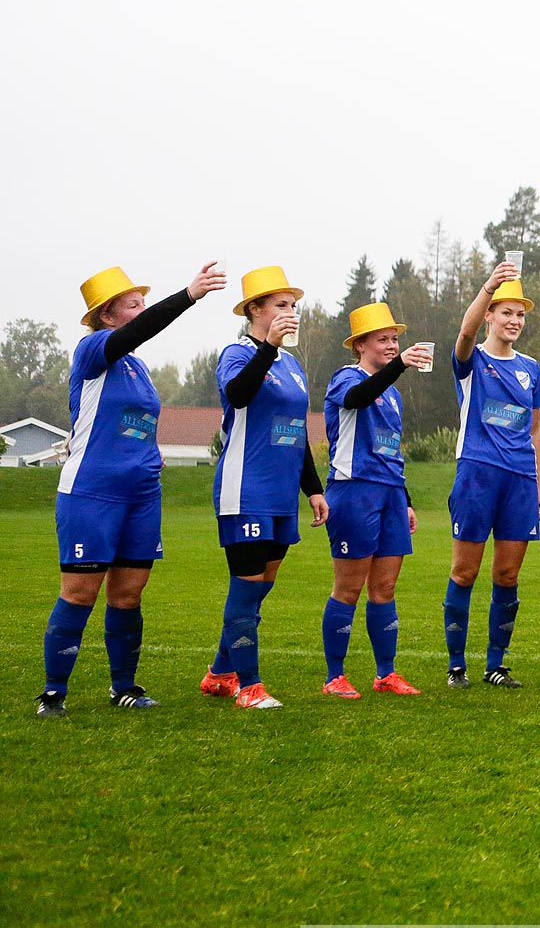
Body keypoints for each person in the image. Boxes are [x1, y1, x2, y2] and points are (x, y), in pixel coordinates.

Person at [35, 263, 228, 718]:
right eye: (134, 304)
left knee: (128, 594)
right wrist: (188, 295)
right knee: (80, 593)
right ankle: (53, 693)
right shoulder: (92, 349)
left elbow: (132, 422)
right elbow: (140, 330)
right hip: (91, 492)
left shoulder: (138, 368)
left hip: (141, 494)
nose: (141, 311)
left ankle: (124, 687)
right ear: (108, 316)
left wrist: (148, 453)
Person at [201, 266, 328, 711]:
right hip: (245, 487)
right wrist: (268, 348)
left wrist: (312, 488)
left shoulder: (292, 365)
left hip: (279, 494)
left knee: (259, 589)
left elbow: (295, 430)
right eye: (280, 304)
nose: (290, 312)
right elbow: (238, 394)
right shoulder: (236, 353)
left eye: (293, 305)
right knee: (246, 584)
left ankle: (219, 672)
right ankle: (249, 685)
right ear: (255, 310)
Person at [319, 302, 432, 699]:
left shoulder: (393, 395)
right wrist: (399, 364)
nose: (391, 344)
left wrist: (406, 498)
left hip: (389, 493)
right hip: (353, 490)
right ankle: (335, 676)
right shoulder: (346, 378)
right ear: (360, 344)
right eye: (382, 339)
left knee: (384, 587)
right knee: (347, 588)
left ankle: (386, 673)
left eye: (394, 339)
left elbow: (391, 451)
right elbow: (357, 399)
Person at [444, 261, 540, 689]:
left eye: (520, 314)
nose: (514, 321)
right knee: (465, 572)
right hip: (478, 474)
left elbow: (535, 430)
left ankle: (495, 664)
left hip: (520, 480)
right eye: (506, 312)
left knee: (507, 575)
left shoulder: (531, 368)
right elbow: (464, 335)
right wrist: (488, 286)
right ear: (490, 315)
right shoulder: (473, 358)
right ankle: (456, 666)